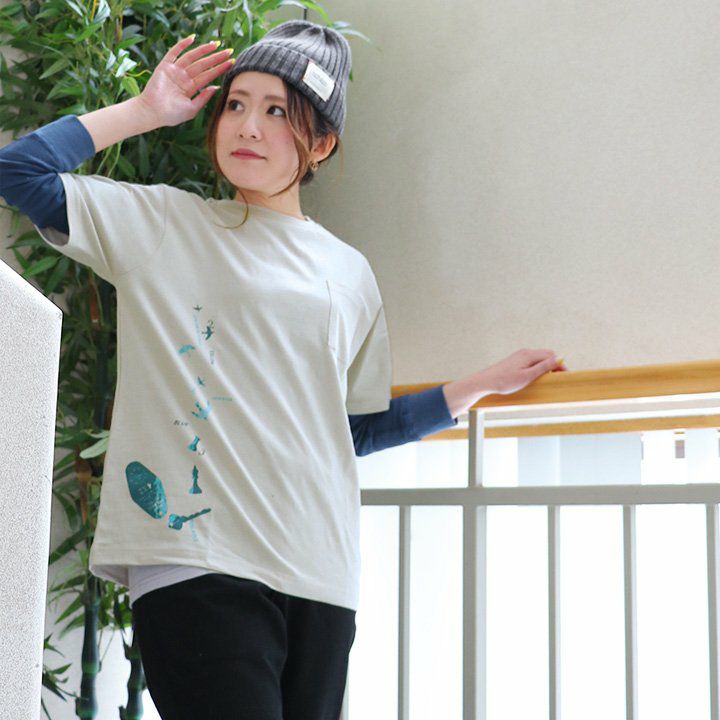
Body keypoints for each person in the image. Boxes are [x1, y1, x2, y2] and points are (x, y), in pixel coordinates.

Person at [0, 19, 567, 720]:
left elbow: (349, 432)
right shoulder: (164, 225)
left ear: (320, 143)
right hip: (196, 560)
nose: (248, 125)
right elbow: (19, 172)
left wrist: (477, 387)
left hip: (320, 573)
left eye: (277, 111)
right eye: (236, 105)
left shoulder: (350, 274)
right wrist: (145, 111)